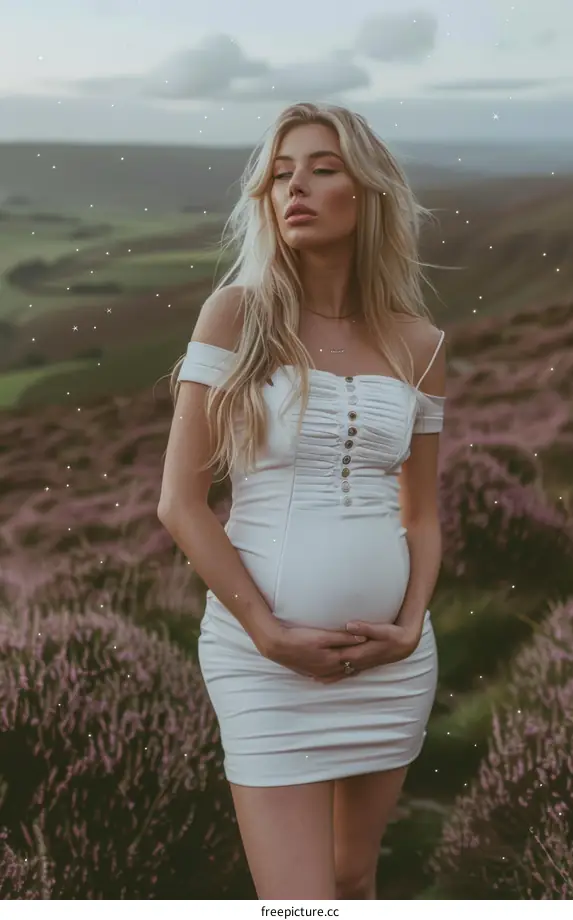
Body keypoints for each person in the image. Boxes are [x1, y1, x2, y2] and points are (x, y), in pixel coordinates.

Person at [158, 101, 446, 900]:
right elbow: (180, 503)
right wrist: (268, 632)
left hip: (391, 664)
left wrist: (413, 621)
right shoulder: (237, 316)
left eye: (323, 168)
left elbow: (420, 512)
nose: (297, 188)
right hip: (263, 664)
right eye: (282, 174)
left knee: (354, 883)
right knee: (299, 904)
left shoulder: (419, 344)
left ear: (371, 191)